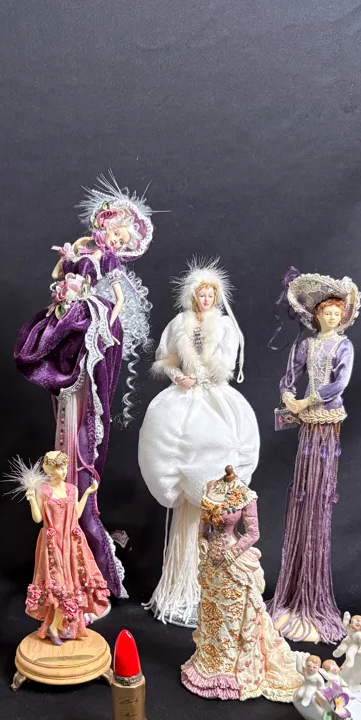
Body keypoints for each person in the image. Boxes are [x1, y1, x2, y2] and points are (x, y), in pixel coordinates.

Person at [14, 176, 154, 599]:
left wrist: (103, 317)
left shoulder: (108, 262)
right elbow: (60, 273)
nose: (115, 240)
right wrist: (67, 263)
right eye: (114, 232)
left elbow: (118, 299)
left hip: (89, 320)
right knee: (61, 360)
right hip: (72, 317)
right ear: (103, 227)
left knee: (84, 407)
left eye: (122, 238)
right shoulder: (85, 249)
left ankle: (87, 554)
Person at [138, 257, 259, 626]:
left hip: (216, 399)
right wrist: (178, 376)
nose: (206, 299)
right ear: (193, 296)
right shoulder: (180, 324)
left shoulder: (225, 326)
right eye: (201, 294)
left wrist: (210, 374)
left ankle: (211, 581)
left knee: (218, 452)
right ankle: (181, 582)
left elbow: (227, 362)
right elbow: (166, 359)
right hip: (185, 397)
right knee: (176, 447)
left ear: (216, 297)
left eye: (211, 294)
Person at [268, 269, 361, 644]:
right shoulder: (305, 345)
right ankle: (292, 594)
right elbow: (288, 377)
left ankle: (312, 596)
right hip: (307, 422)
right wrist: (289, 397)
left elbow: (340, 383)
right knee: (302, 490)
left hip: (325, 421)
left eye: (338, 313)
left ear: (343, 316)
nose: (333, 317)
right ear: (317, 315)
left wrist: (308, 399)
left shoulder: (344, 347)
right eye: (327, 312)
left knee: (319, 492)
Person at [181, 466, 301, 702]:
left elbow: (253, 533)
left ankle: (230, 668)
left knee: (232, 614)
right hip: (210, 563)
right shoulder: (210, 488)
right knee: (211, 611)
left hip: (232, 562)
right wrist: (202, 540)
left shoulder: (246, 495)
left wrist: (233, 553)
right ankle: (210, 660)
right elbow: (203, 525)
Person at [21, 451, 110, 645]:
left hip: (71, 541)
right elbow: (38, 518)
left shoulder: (72, 489)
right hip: (53, 543)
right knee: (58, 584)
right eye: (57, 469)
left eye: (64, 468)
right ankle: (54, 626)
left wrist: (88, 493)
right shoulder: (44, 491)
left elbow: (76, 513)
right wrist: (32, 499)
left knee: (72, 583)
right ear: (48, 470)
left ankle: (59, 626)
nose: (62, 472)